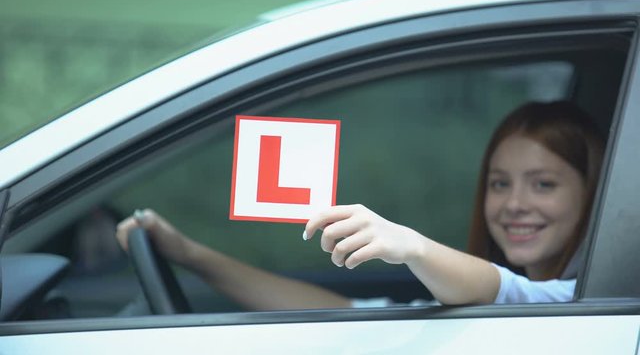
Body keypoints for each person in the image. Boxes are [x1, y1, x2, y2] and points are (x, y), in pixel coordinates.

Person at [115, 100, 604, 309]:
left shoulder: (587, 303)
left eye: (543, 185)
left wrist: (411, 246)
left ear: (594, 194)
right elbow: (337, 309)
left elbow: (509, 295)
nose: (515, 204)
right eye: (499, 184)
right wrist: (189, 254)